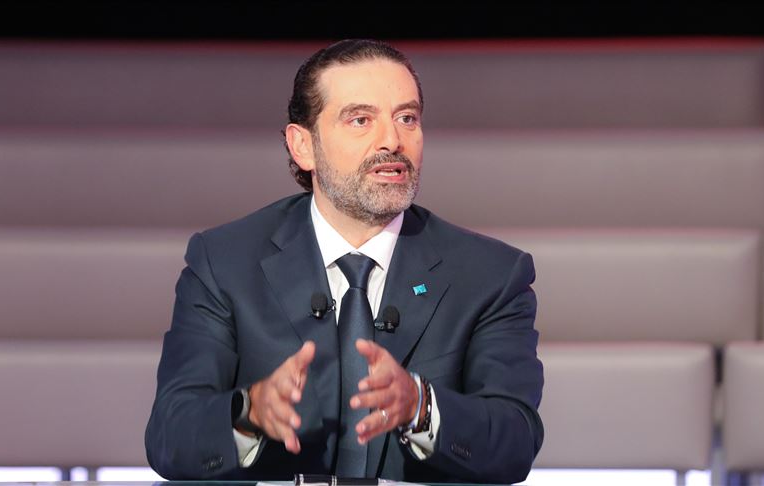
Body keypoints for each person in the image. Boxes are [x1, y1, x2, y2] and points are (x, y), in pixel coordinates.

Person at [145, 39, 543, 483]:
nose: (392, 140)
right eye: (360, 120)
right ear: (303, 146)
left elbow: (514, 441)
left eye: (407, 118)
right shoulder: (224, 263)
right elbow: (170, 437)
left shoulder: (490, 275)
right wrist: (250, 413)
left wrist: (421, 407)